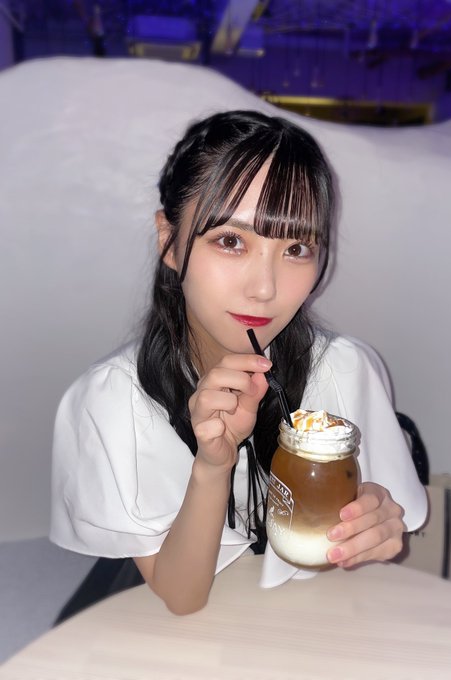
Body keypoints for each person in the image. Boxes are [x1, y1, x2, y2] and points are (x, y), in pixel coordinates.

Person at [50, 110, 427, 617]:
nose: (265, 288)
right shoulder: (114, 399)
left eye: (296, 247)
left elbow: (377, 535)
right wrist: (212, 466)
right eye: (231, 241)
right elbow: (181, 597)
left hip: (302, 616)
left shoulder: (345, 370)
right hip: (156, 614)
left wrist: (377, 524)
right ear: (169, 242)